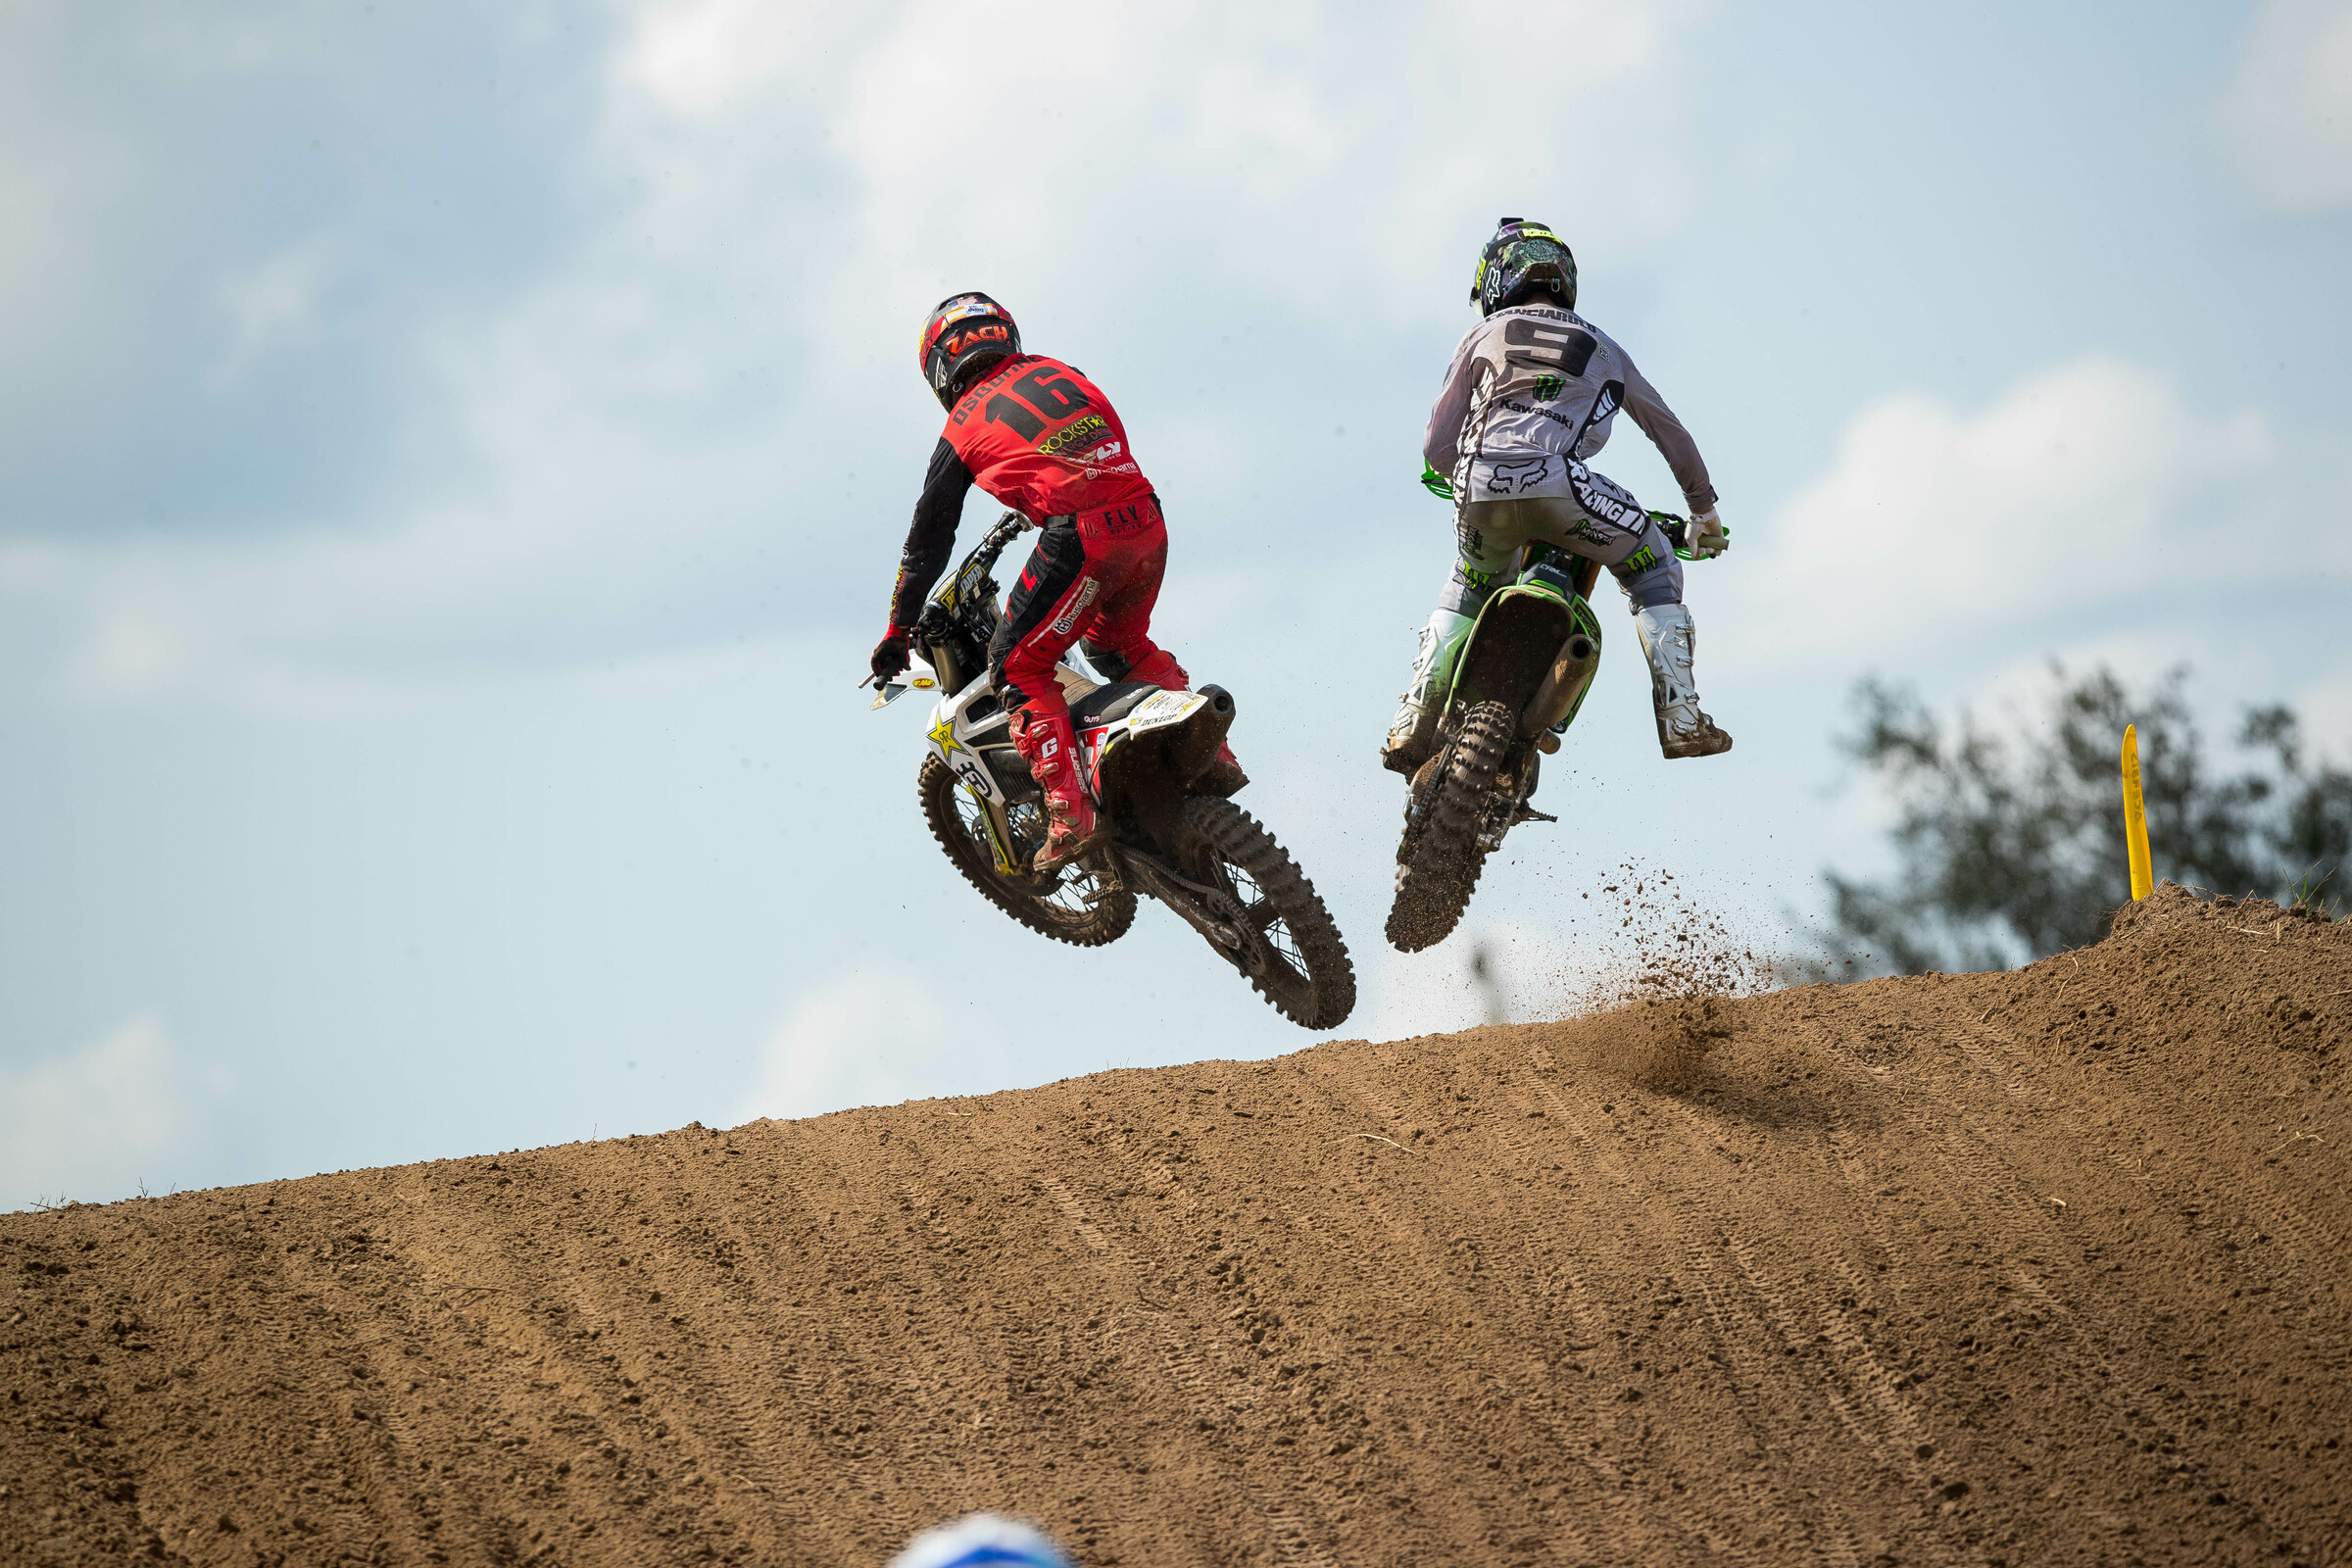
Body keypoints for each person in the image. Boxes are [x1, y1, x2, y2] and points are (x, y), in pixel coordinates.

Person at [872, 293, 1243, 874]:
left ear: (940, 367)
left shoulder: (962, 422)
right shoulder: (1062, 371)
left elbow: (927, 542)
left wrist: (897, 629)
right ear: (1004, 335)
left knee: (1016, 665)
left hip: (1081, 538)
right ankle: (1212, 754)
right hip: (1146, 518)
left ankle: (1071, 817)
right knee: (1116, 644)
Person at [1384, 219, 1732, 773]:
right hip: (1561, 487)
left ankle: (1412, 718)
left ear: (1494, 280)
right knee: (1654, 566)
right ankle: (1683, 719)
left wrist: (1457, 476)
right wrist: (1702, 512)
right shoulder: (1604, 347)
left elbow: (1436, 443)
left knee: (1467, 585)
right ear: (1563, 277)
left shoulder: (1482, 333)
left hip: (1477, 488)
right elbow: (1670, 433)